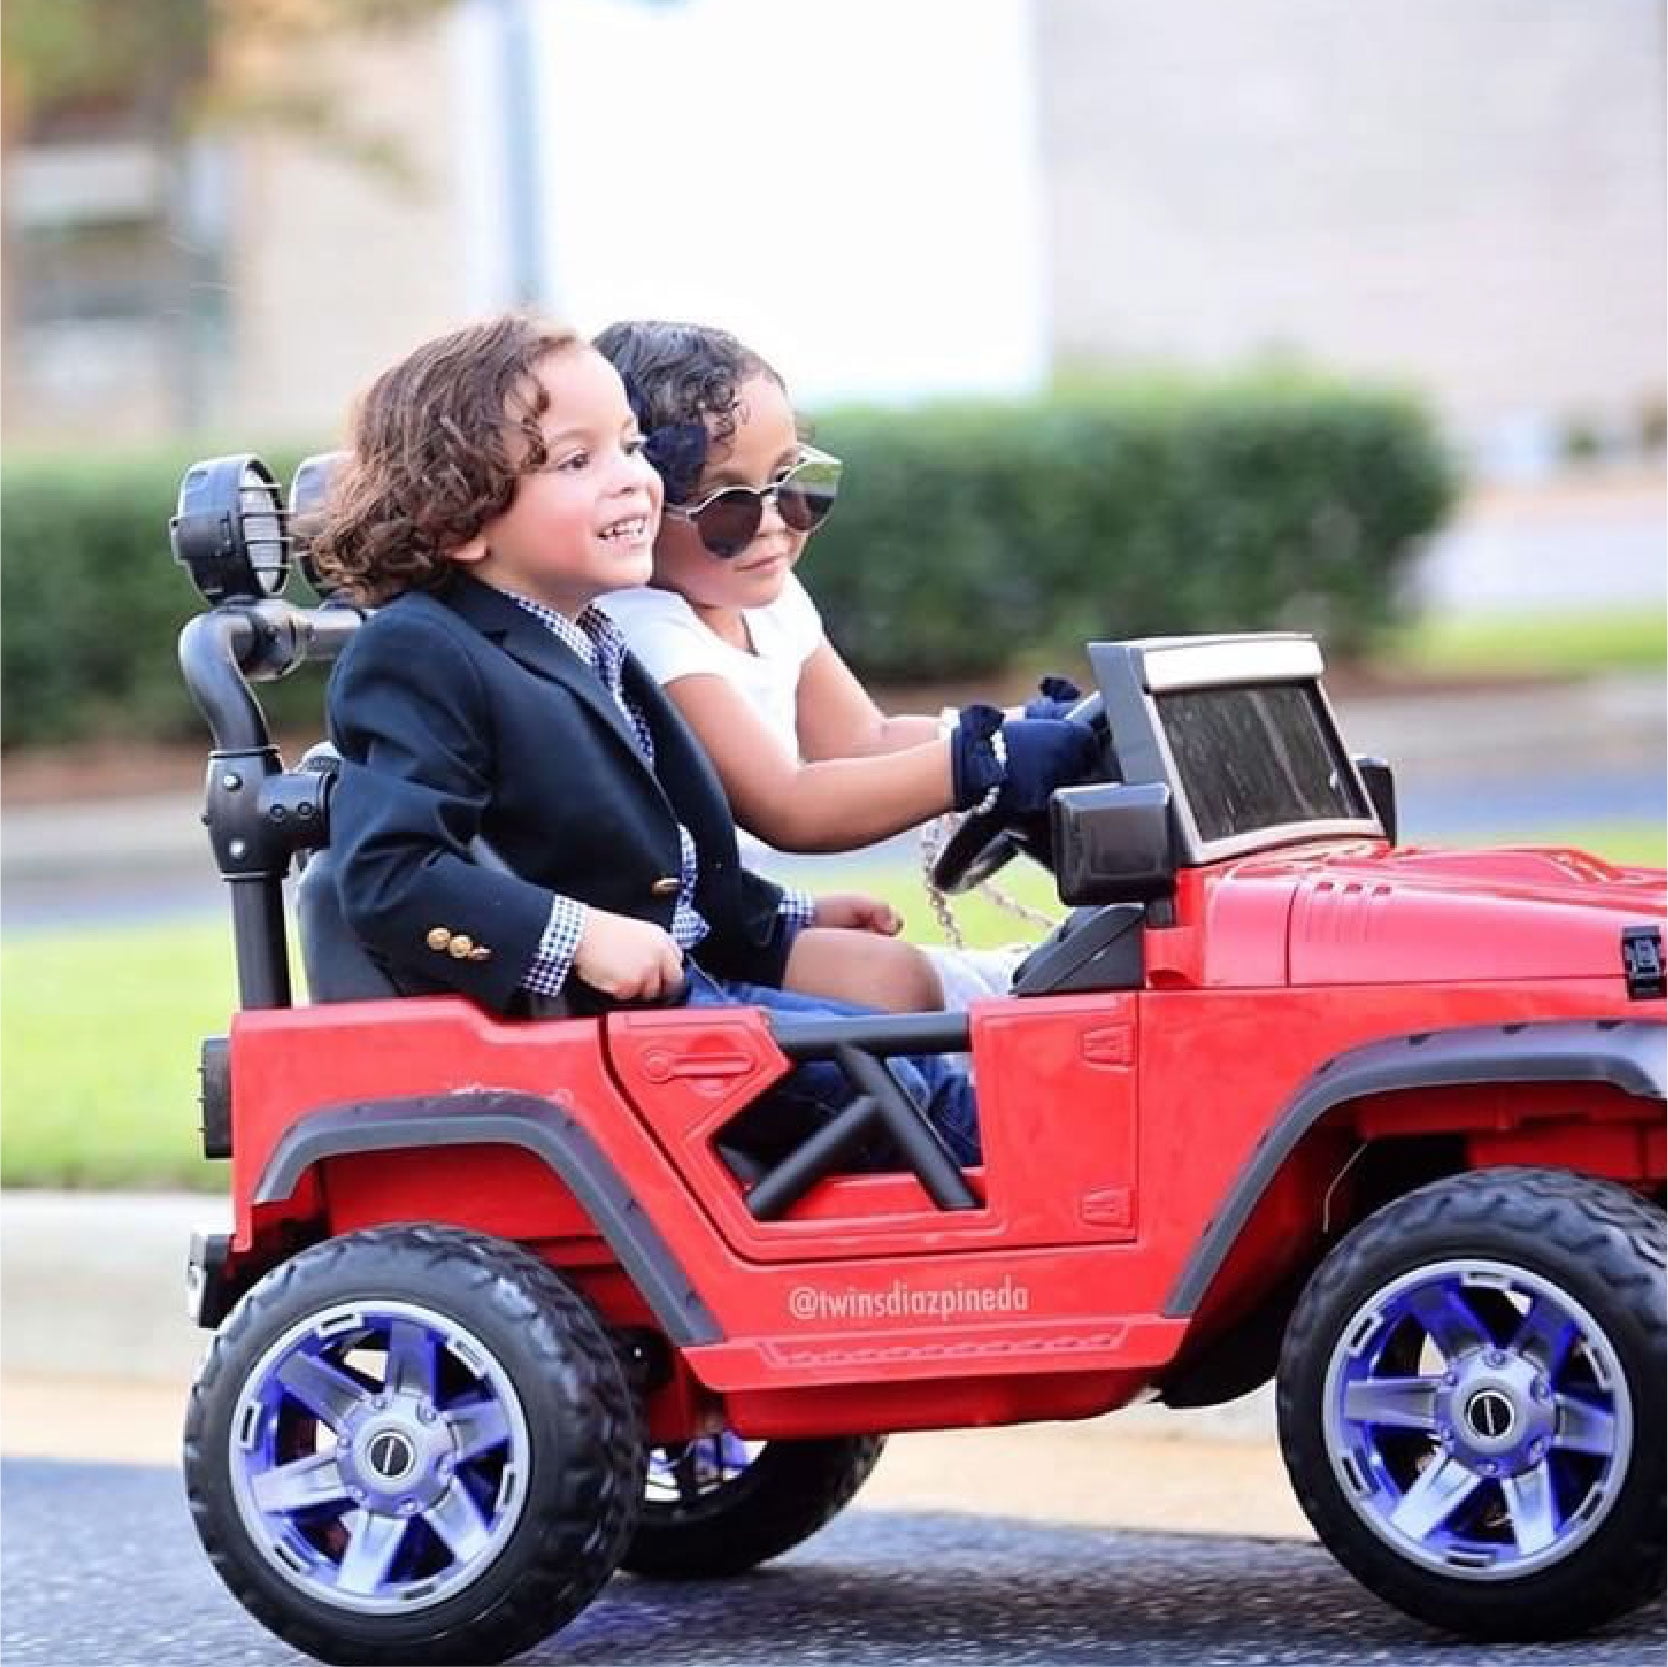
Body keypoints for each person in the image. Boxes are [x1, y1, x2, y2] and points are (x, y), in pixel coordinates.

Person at [310, 315, 1090, 1166]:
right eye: (579, 461)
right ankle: (1052, 1194)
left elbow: (657, 863)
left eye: (633, 446)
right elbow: (387, 875)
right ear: (458, 517)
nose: (631, 482)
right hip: (598, 1031)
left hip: (678, 994)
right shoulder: (424, 649)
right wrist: (579, 937)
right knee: (895, 1082)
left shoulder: (592, 634)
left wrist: (788, 913)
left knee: (900, 1019)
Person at [593, 319, 1091, 1012]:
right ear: (641, 504)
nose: (773, 523)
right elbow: (789, 804)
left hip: (737, 912)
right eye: (729, 506)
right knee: (894, 981)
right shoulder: (645, 629)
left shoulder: (765, 596)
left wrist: (1026, 730)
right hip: (665, 943)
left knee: (973, 974)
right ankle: (942, 1120)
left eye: (794, 482)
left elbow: (862, 741)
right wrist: (975, 764)